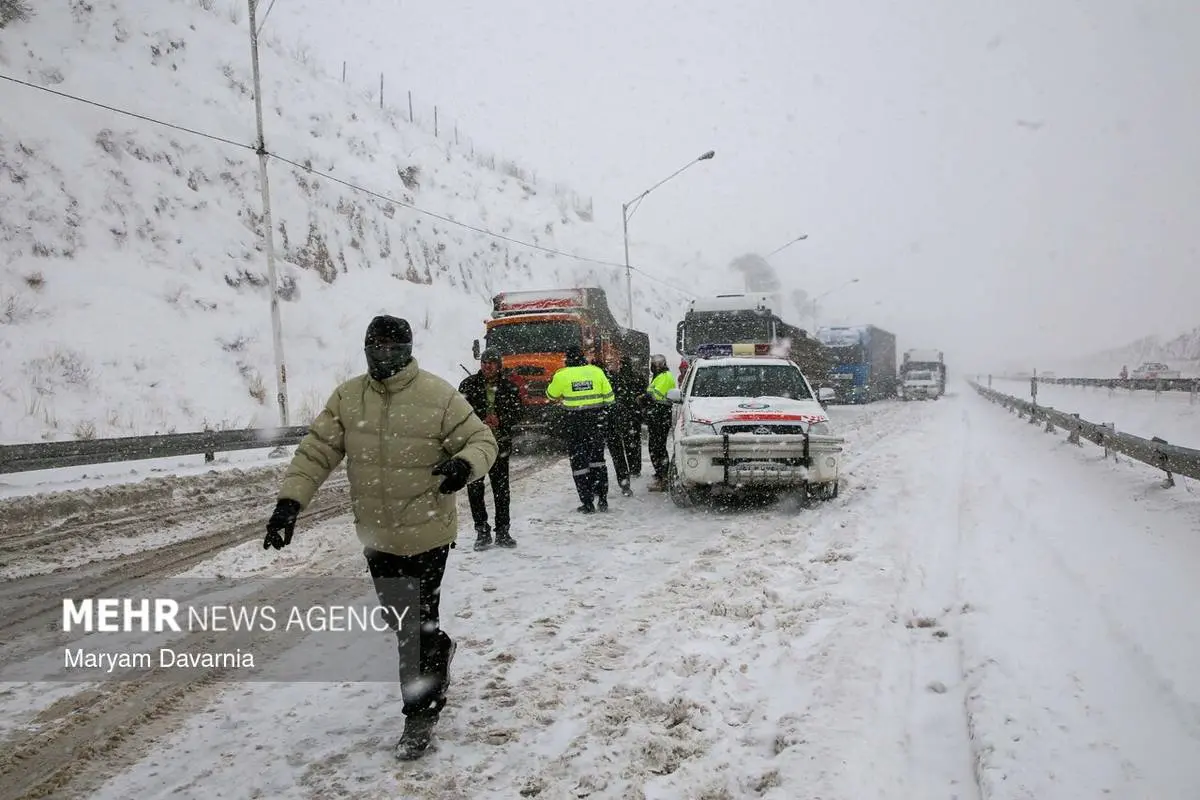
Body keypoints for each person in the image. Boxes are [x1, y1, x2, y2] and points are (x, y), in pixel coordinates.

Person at [263, 314, 497, 761]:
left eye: (394, 348)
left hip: (428, 532)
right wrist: (289, 504)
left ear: (408, 350)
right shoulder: (348, 398)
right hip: (377, 537)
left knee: (414, 628)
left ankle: (420, 714)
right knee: (401, 621)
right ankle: (440, 649)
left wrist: (464, 465)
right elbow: (316, 452)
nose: (385, 356)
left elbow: (482, 441)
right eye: (377, 347)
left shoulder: (438, 395)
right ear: (367, 349)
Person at [458, 349, 522, 550]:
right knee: (475, 488)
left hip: (499, 444)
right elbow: (459, 413)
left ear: (499, 366)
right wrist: (479, 420)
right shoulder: (468, 385)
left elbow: (519, 413)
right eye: (484, 362)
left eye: (492, 362)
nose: (487, 366)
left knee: (501, 490)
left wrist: (501, 420)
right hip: (474, 445)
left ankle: (503, 531)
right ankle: (482, 531)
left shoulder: (509, 387)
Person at [545, 345, 614, 512]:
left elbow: (551, 395)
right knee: (598, 461)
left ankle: (587, 502)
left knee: (579, 465)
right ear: (583, 357)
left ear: (567, 359)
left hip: (574, 425)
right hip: (596, 423)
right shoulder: (597, 371)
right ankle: (602, 499)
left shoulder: (562, 375)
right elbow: (610, 397)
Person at [610, 356, 645, 490]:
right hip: (634, 414)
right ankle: (635, 468)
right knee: (634, 441)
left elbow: (613, 394)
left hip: (622, 415)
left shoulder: (616, 378)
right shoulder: (637, 377)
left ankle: (628, 469)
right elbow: (643, 394)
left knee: (625, 442)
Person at [644, 353, 676, 492]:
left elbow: (656, 395)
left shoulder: (665, 377)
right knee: (656, 447)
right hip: (657, 416)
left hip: (660, 416)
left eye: (653, 364)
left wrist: (645, 397)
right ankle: (661, 474)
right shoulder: (660, 376)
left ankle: (663, 478)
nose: (652, 367)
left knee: (657, 448)